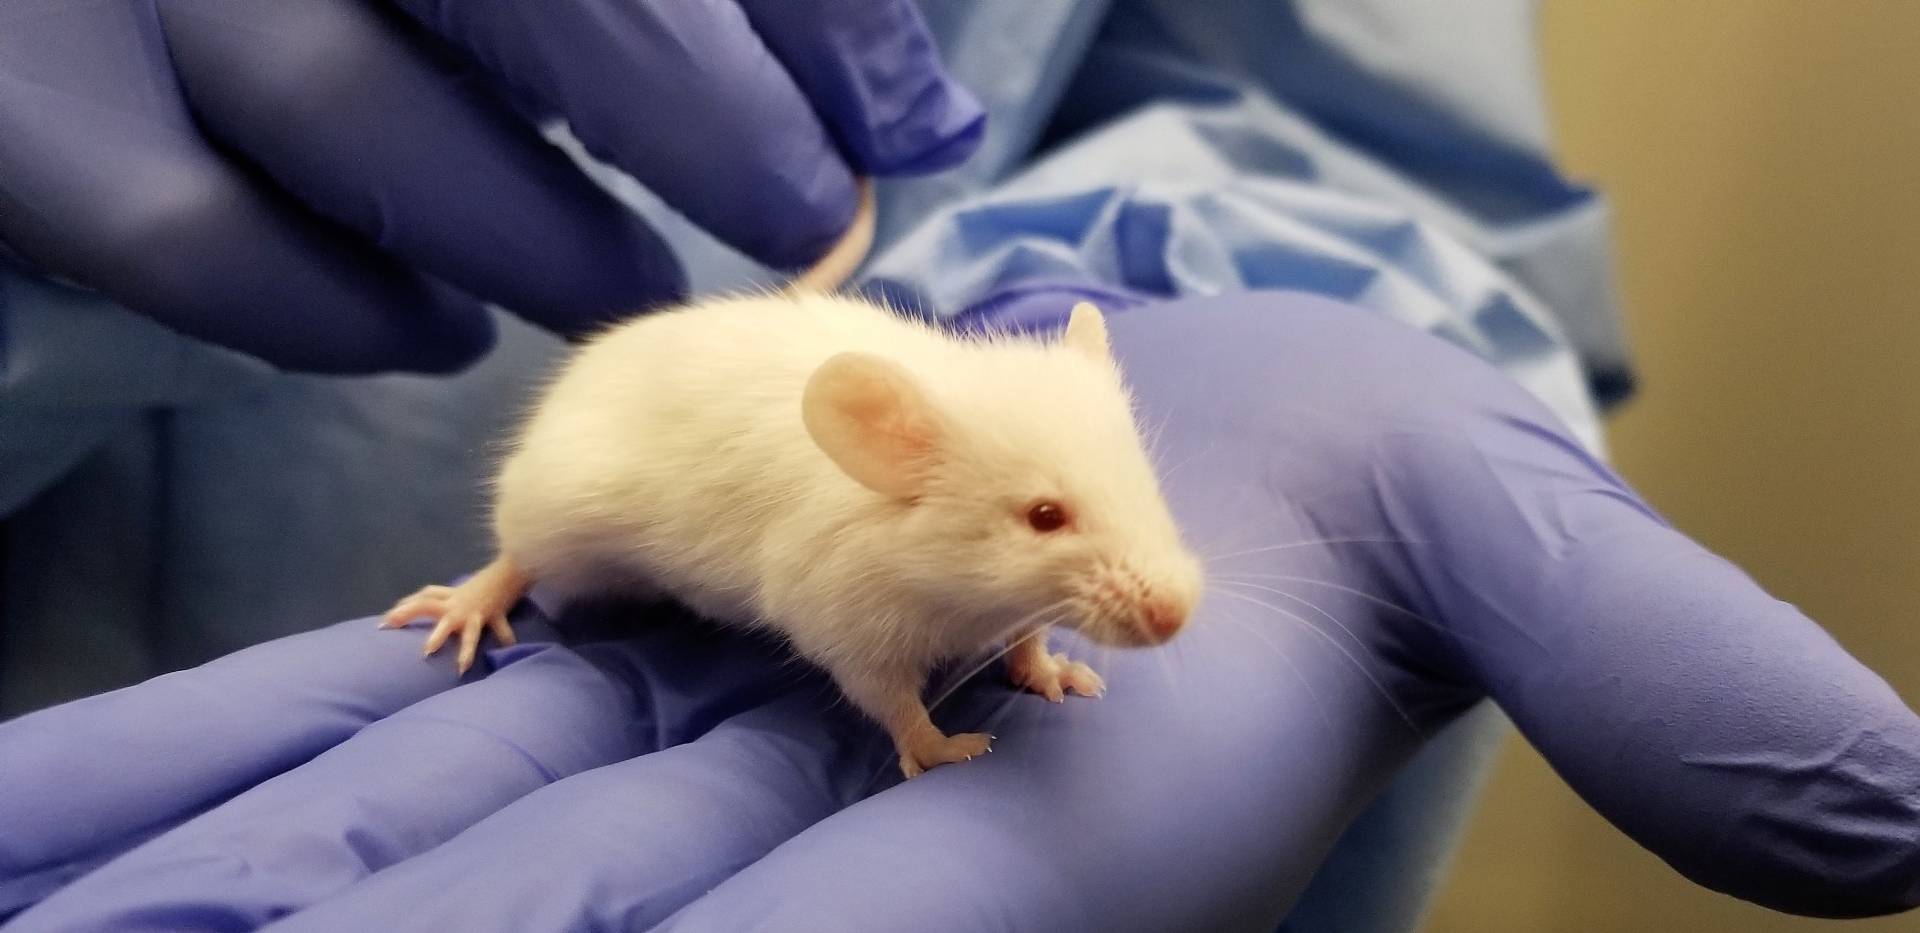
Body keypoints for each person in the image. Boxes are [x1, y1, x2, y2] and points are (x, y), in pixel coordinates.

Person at [1, 2, 1914, 930]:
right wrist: (919, 717)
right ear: (893, 463)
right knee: (552, 533)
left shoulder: (1002, 467)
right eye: (1079, 528)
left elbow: (1337, 115)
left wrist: (1297, 335)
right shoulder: (871, 496)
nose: (1158, 577)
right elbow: (852, 617)